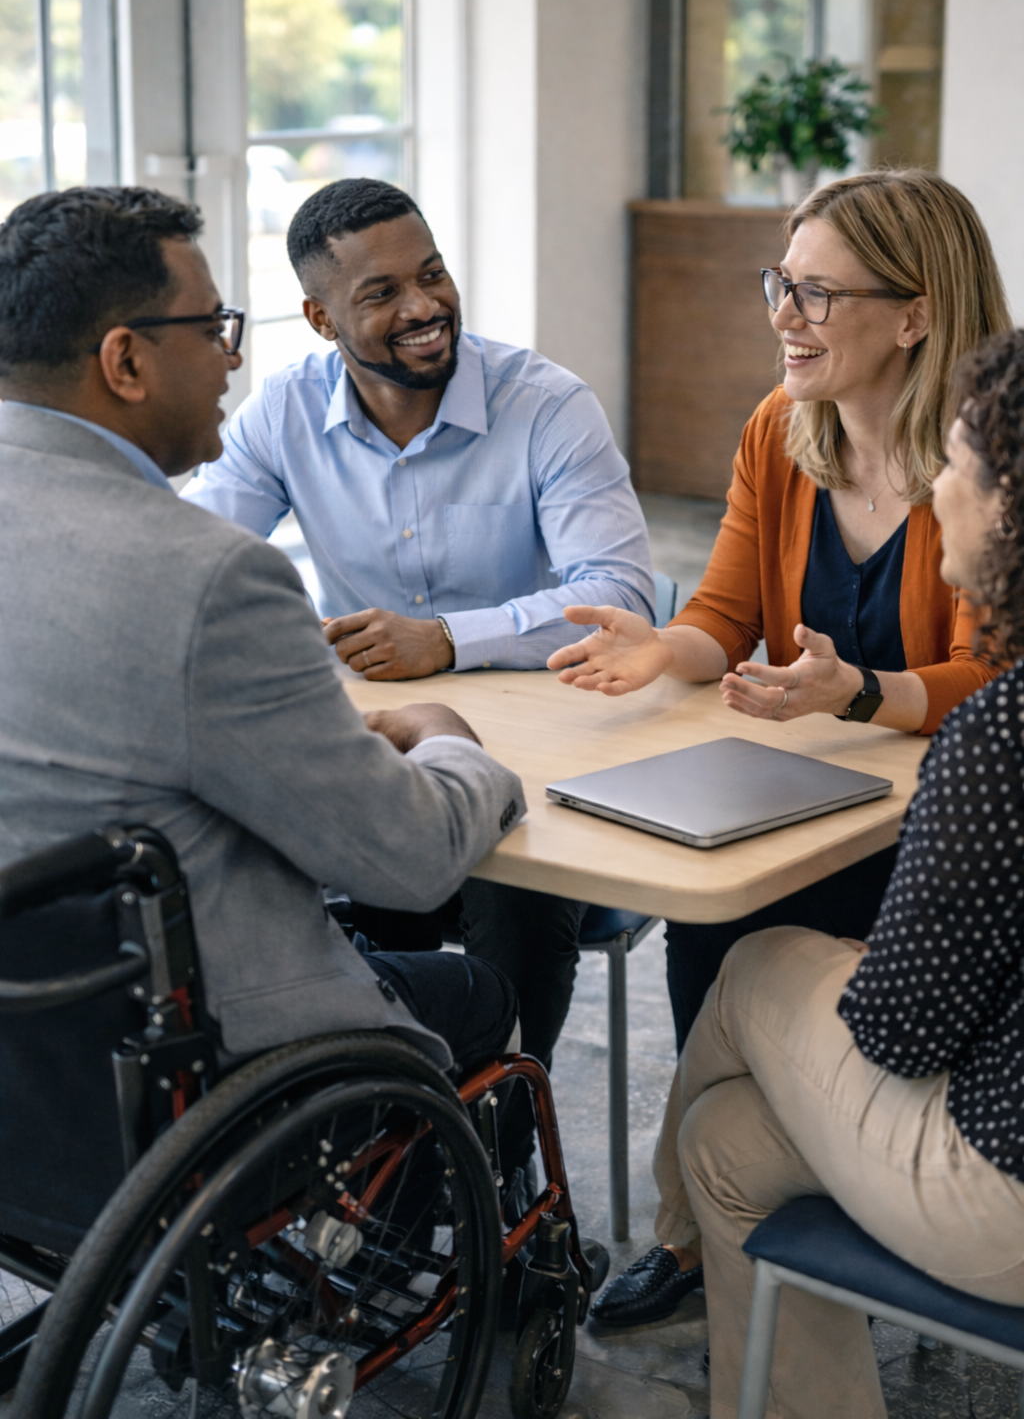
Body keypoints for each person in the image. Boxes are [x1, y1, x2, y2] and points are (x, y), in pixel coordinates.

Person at [183, 176, 655, 1181]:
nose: (424, 308)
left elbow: (619, 597)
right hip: (382, 752)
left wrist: (447, 639)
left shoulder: (544, 404)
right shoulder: (284, 414)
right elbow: (190, 558)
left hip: (540, 763)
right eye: (382, 293)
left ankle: (490, 1168)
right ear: (319, 318)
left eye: (432, 274)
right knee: (329, 892)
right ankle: (384, 1159)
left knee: (513, 905)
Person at [0, 184, 526, 1084]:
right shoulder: (210, 576)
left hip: (34, 1062)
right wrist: (452, 745)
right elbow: (409, 859)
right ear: (125, 363)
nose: (231, 363)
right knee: (477, 992)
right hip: (199, 1051)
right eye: (212, 330)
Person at [595, 326, 1024, 1418]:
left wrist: (846, 966)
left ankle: (672, 1235)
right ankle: (693, 1229)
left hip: (1003, 1184)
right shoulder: (778, 436)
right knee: (721, 1143)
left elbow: (903, 1034)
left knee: (756, 967)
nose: (938, 485)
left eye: (963, 469)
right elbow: (721, 615)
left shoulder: (998, 736)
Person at [550, 169, 1012, 1086]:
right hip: (805, 792)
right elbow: (725, 615)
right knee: (708, 915)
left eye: (819, 294)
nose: (784, 316)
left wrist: (861, 694)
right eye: (782, 283)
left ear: (913, 317)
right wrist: (662, 649)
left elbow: (991, 676)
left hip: (933, 831)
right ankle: (699, 1209)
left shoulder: (983, 460)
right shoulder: (781, 429)